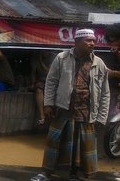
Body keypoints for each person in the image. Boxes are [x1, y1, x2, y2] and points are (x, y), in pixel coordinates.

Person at [30, 29, 110, 181]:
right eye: (88, 40)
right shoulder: (62, 58)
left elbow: (105, 92)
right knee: (54, 144)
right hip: (63, 109)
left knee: (82, 148)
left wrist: (102, 116)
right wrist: (48, 104)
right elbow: (51, 81)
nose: (92, 43)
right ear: (77, 42)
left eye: (93, 40)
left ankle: (76, 175)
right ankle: (46, 173)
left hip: (87, 112)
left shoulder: (99, 63)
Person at [30, 50, 55, 127]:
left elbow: (49, 72)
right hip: (41, 80)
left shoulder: (53, 57)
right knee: (38, 89)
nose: (43, 52)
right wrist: (32, 83)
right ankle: (42, 115)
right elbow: (33, 72)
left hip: (52, 79)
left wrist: (41, 62)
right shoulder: (35, 59)